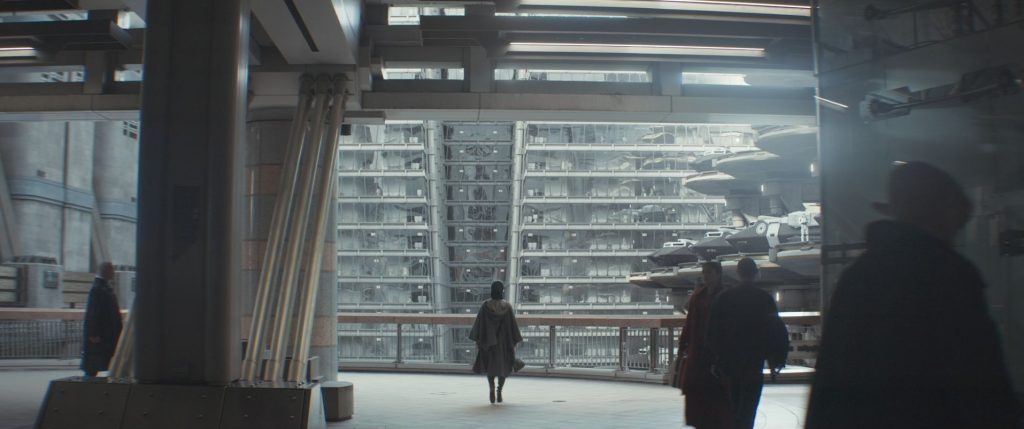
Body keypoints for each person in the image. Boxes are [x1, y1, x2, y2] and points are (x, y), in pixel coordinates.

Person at [805, 162, 1018, 428]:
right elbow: (978, 374)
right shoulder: (948, 273)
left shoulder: (858, 274)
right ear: (941, 210)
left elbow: (831, 372)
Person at [706, 257, 789, 429]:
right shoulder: (764, 298)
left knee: (733, 404)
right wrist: (777, 358)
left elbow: (713, 331)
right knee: (749, 407)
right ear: (756, 274)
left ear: (737, 273)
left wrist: (714, 358)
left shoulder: (724, 298)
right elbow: (777, 330)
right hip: (754, 360)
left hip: (729, 361)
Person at [676, 261, 732, 429]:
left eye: (709, 272)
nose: (705, 276)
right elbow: (689, 323)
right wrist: (682, 344)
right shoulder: (698, 296)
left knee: (714, 391)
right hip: (698, 350)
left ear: (718, 274)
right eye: (704, 272)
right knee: (699, 391)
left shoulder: (722, 296)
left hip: (715, 352)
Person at [469, 281, 523, 404]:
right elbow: (512, 326)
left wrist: (479, 340)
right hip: (503, 344)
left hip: (488, 343)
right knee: (503, 368)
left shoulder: (485, 305)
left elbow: (479, 324)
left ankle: (491, 388)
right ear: (502, 290)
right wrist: (513, 342)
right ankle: (499, 391)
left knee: (490, 367)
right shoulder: (507, 306)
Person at [81, 262, 123, 377]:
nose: (113, 273)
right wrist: (93, 333)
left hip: (105, 334)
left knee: (95, 363)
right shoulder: (98, 289)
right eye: (111, 270)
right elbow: (93, 313)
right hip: (101, 334)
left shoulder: (102, 288)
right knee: (93, 363)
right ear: (106, 271)